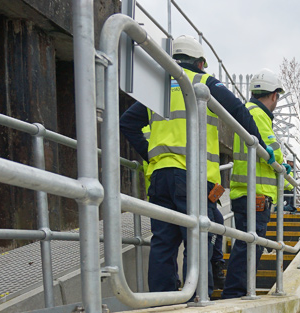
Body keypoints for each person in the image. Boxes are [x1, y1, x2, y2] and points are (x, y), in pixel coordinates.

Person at [119, 35, 265, 296]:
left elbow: (127, 123)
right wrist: (260, 146)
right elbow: (239, 111)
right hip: (194, 177)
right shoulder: (204, 82)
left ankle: (162, 300)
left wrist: (152, 156)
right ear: (200, 63)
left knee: (163, 242)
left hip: (160, 176)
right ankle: (197, 298)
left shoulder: (160, 89)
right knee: (197, 238)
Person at [221, 69, 285, 299]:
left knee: (248, 242)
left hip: (245, 191)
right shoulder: (258, 114)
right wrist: (282, 165)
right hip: (255, 193)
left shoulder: (249, 111)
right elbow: (273, 151)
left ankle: (238, 291)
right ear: (274, 95)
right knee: (250, 244)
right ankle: (235, 294)